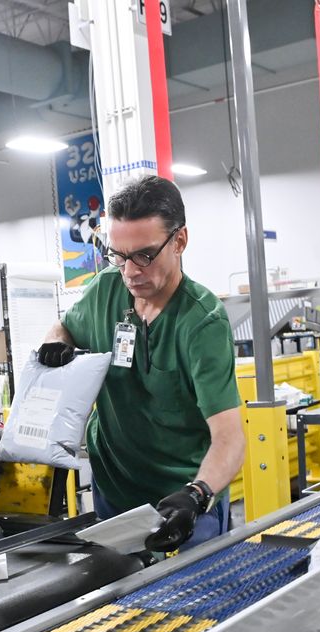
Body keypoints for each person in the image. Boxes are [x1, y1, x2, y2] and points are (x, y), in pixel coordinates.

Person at [38, 175, 245, 552]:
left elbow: (230, 440)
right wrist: (55, 342)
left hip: (181, 501)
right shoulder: (105, 290)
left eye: (145, 255)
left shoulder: (202, 323)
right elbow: (64, 326)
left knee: (195, 602)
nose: (130, 271)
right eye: (118, 255)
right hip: (113, 494)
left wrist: (197, 495)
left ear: (179, 241)